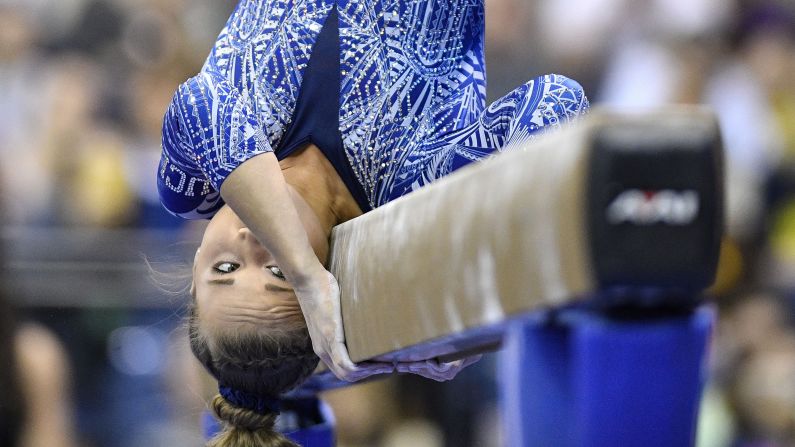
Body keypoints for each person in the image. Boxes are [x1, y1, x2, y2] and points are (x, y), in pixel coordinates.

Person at [157, 1, 589, 445]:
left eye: (224, 269)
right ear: (330, 295)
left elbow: (198, 103)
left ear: (192, 277)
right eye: (274, 272)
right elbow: (557, 102)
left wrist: (301, 275)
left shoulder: (195, 186)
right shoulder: (414, 191)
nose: (249, 241)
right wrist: (455, 326)